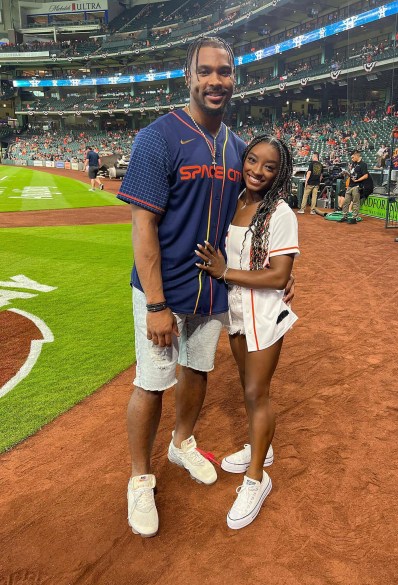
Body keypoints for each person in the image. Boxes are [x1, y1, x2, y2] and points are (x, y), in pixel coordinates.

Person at [116, 36, 294, 538]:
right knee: (152, 383)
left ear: (234, 78)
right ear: (189, 77)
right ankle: (139, 477)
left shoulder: (237, 147)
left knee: (196, 371)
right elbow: (142, 226)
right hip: (164, 289)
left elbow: (251, 218)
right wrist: (154, 304)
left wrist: (281, 272)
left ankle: (182, 442)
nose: (216, 81)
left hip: (212, 292)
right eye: (207, 72)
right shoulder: (158, 137)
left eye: (225, 72)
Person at [195, 135, 299, 529]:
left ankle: (257, 477)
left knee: (258, 392)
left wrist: (224, 272)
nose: (257, 170)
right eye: (252, 161)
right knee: (245, 385)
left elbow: (278, 275)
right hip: (236, 311)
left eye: (269, 166)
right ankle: (262, 449)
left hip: (264, 313)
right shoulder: (236, 200)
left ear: (279, 173)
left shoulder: (281, 213)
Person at [337, 150, 373, 225]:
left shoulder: (363, 164)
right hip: (350, 185)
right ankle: (344, 216)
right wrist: (347, 173)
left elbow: (365, 175)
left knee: (356, 202)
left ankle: (354, 218)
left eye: (353, 157)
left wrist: (357, 180)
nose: (352, 158)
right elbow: (352, 174)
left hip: (357, 186)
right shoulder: (353, 164)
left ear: (357, 156)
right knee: (346, 201)